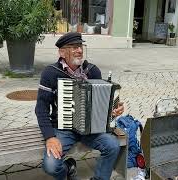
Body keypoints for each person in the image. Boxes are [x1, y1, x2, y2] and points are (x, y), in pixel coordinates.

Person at [35, 32, 124, 180]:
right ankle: (68, 169)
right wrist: (50, 137)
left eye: (81, 46)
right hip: (63, 129)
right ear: (62, 52)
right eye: (74, 47)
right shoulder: (50, 73)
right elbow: (41, 108)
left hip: (90, 130)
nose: (80, 50)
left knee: (112, 145)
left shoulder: (92, 71)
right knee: (50, 165)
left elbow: (100, 103)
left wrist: (113, 112)